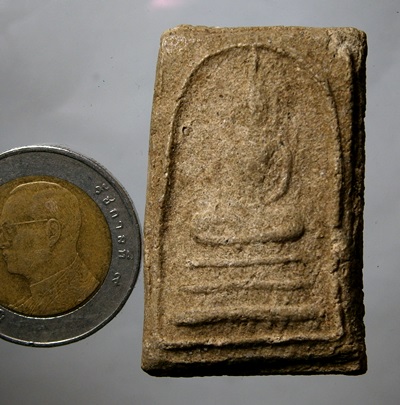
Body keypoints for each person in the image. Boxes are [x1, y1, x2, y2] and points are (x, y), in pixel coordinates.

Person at [0, 181, 99, 316]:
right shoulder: (28, 307)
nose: (2, 242)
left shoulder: (83, 292)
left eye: (9, 230)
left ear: (52, 232)